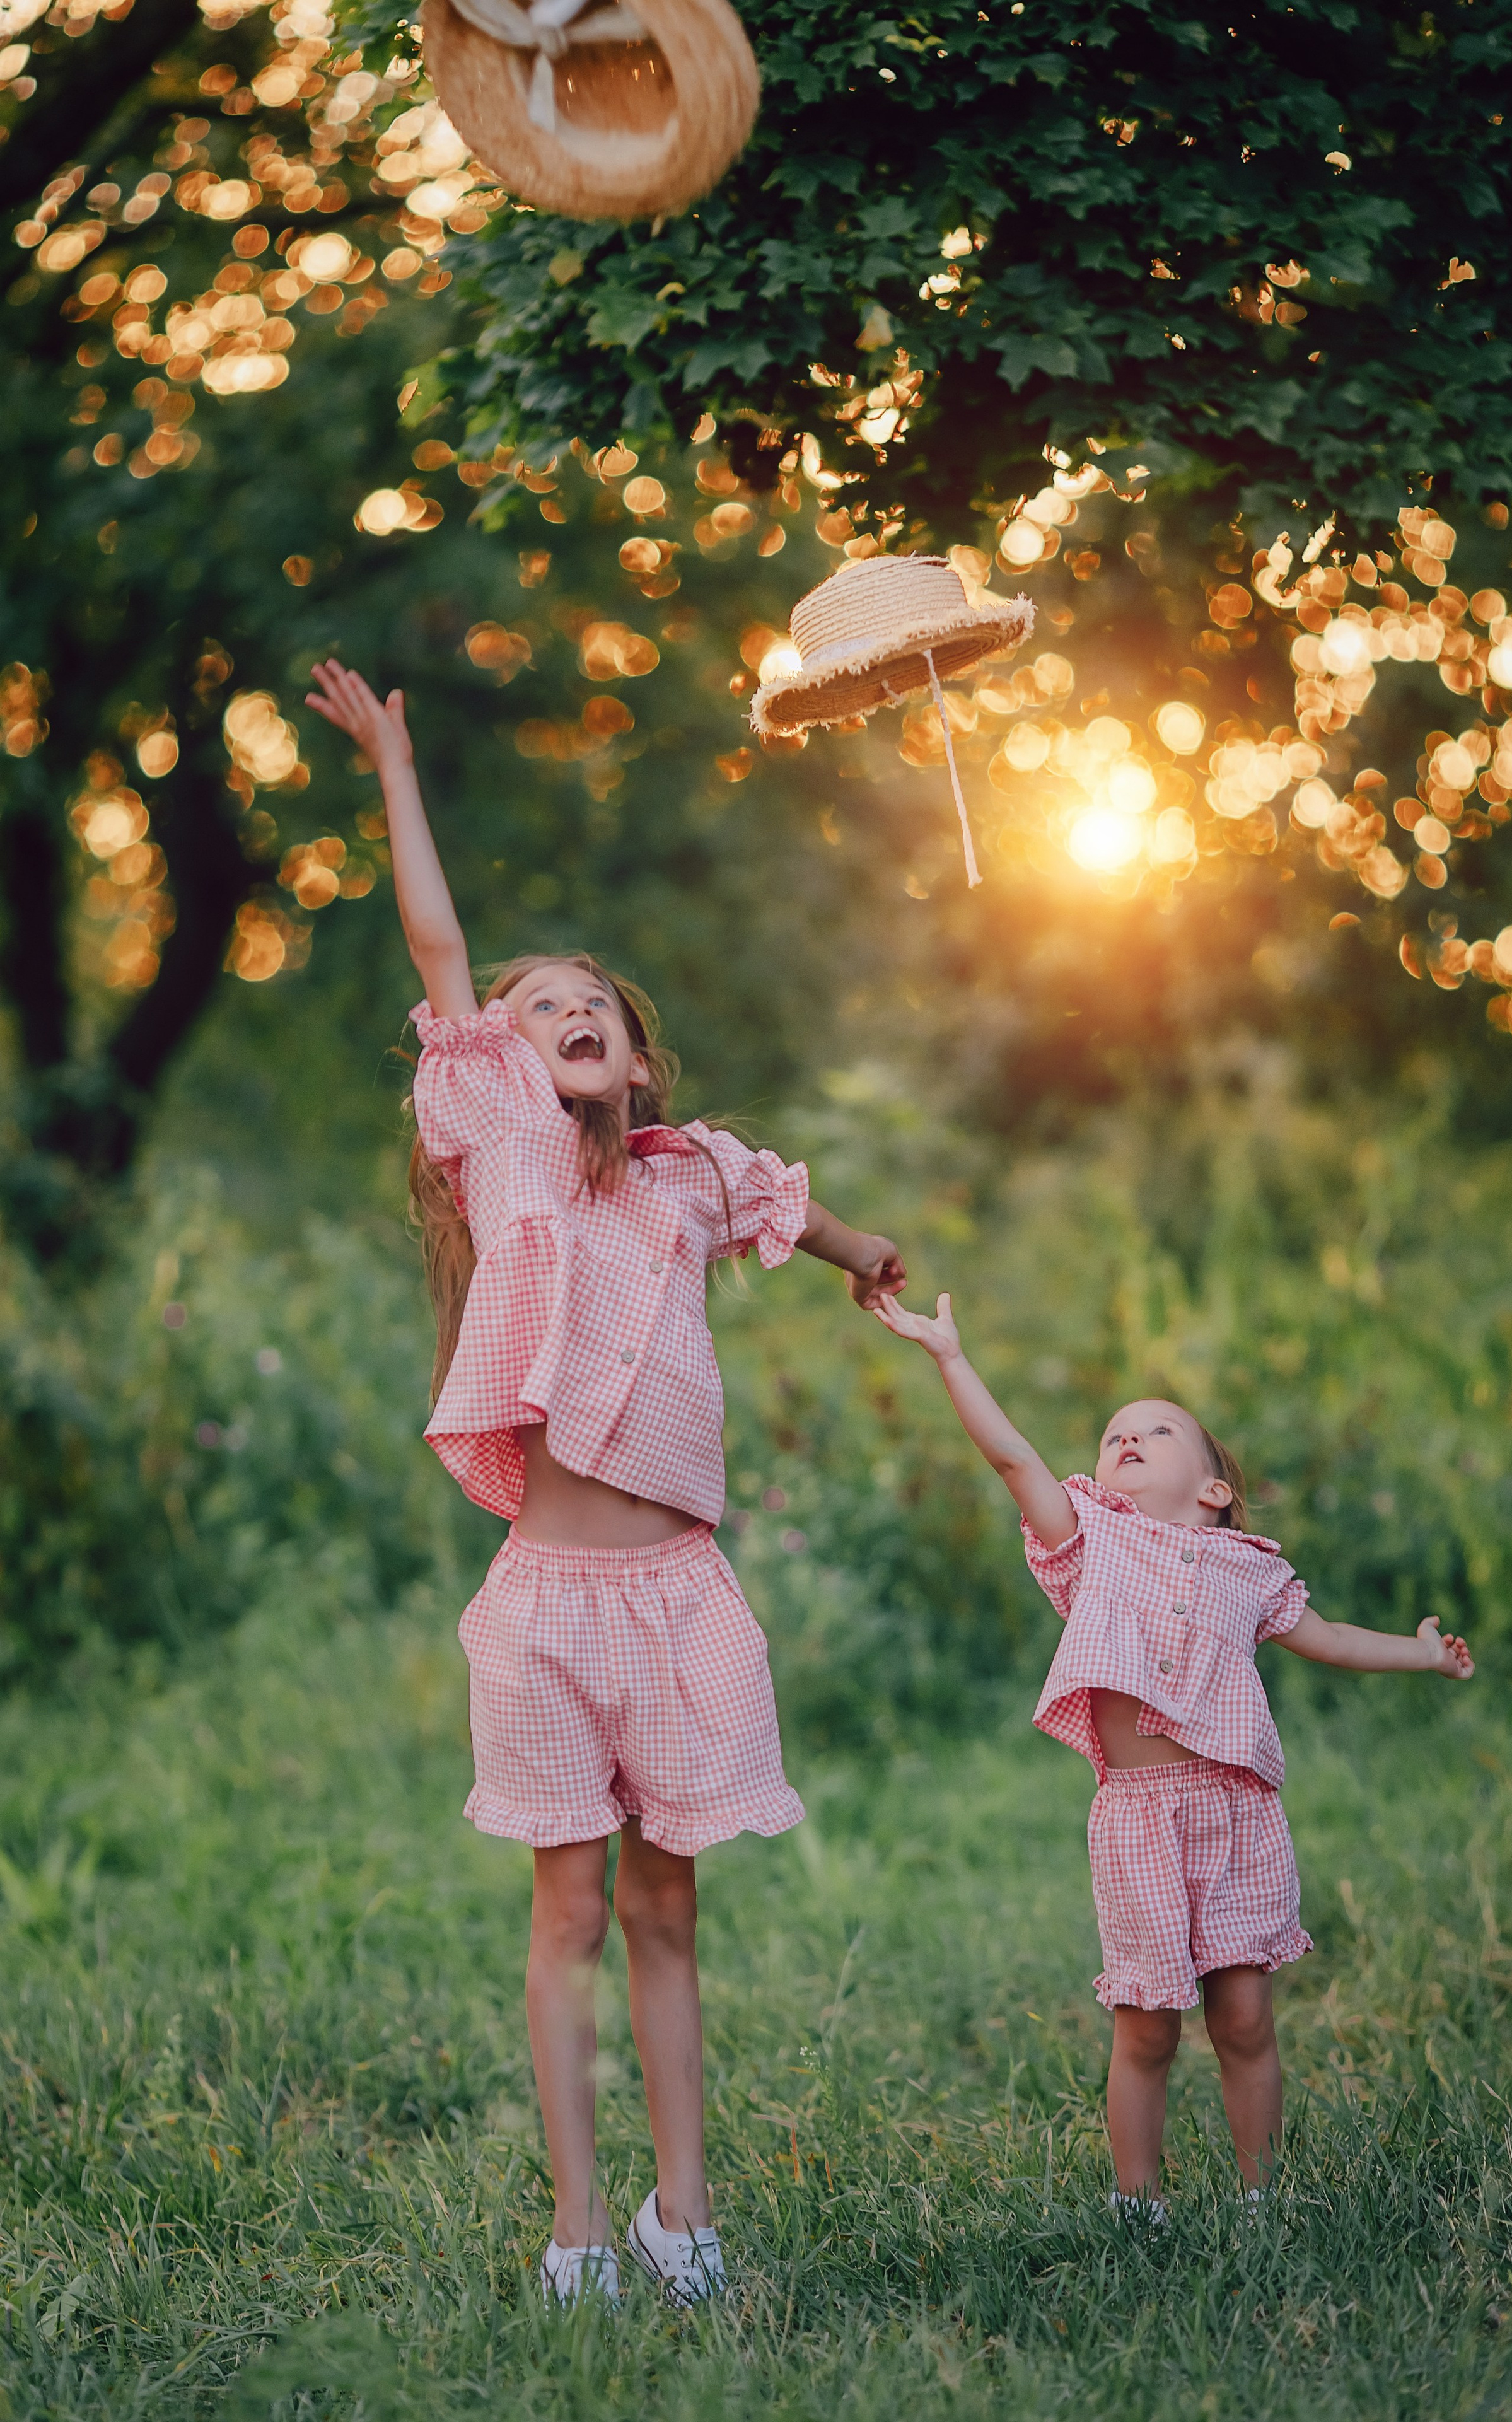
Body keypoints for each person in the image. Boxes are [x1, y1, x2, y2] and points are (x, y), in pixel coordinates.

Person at [305, 660, 907, 2303]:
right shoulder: (502, 1151)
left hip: (679, 1599)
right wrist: (397, 764)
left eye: (598, 1007)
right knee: (565, 1913)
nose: (571, 1013)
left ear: (639, 1060)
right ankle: (579, 2226)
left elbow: (793, 1207)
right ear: (500, 1065)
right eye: (541, 1007)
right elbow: (438, 952)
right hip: (549, 1608)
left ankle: (680, 2217)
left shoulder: (687, 1177)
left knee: (666, 1912)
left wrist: (868, 1254)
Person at [869, 1289, 1474, 2212]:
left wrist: (1422, 1652)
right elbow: (1012, 1456)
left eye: (1157, 1430)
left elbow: (1329, 1638)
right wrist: (951, 1357)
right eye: (1115, 1433)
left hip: (1236, 1815)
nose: (1129, 1438)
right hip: (1139, 1823)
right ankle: (1138, 2204)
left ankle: (1263, 2197)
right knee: (1147, 2027)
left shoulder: (1251, 1569)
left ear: (1213, 1491)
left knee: (1244, 2018)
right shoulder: (1090, 1541)